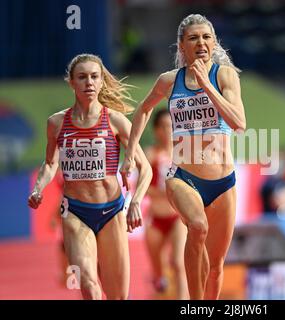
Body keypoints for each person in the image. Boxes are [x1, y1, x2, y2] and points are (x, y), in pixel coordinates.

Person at [121, 14, 246, 300]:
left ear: (213, 43)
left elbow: (240, 123)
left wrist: (207, 85)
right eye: (193, 38)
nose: (200, 42)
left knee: (215, 267)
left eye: (205, 37)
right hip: (183, 177)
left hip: (223, 182)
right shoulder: (169, 81)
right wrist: (131, 151)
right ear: (181, 46)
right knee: (198, 227)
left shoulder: (224, 76)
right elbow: (143, 109)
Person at [28, 53, 152, 300]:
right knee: (88, 284)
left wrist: (135, 201)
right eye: (82, 77)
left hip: (111, 212)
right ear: (71, 82)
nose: (89, 83)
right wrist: (38, 188)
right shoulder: (57, 123)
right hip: (75, 212)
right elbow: (51, 162)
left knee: (117, 296)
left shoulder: (115, 120)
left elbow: (145, 167)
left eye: (95, 77)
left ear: (101, 81)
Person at [144, 108, 189, 299]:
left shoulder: (184, 154)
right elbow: (143, 188)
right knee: (159, 272)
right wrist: (162, 192)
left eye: (170, 126)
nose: (166, 131)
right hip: (156, 219)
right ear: (155, 130)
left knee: (178, 263)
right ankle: (160, 285)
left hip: (178, 217)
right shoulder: (150, 154)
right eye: (162, 127)